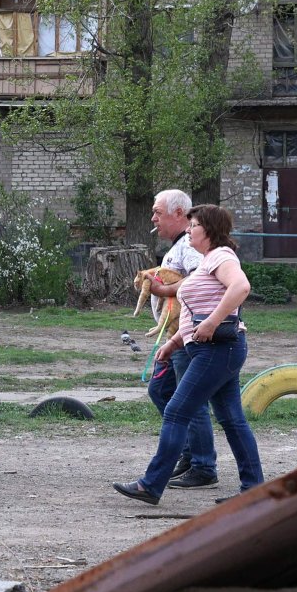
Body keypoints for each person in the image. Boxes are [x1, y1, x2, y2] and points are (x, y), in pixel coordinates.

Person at [114, 204, 265, 505]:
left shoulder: (221, 256)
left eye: (193, 225)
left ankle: (151, 485)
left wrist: (211, 322)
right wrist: (174, 343)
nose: (188, 230)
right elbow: (196, 312)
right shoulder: (209, 261)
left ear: (208, 230)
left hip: (217, 349)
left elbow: (241, 287)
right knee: (231, 418)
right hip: (214, 349)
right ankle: (254, 491)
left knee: (177, 411)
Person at [144, 189, 218, 489]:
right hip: (175, 338)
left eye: (157, 212)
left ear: (179, 214)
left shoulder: (188, 244)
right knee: (161, 390)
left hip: (187, 336)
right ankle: (189, 454)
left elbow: (201, 279)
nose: (153, 218)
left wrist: (162, 291)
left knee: (189, 400)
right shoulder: (180, 244)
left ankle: (203, 465)